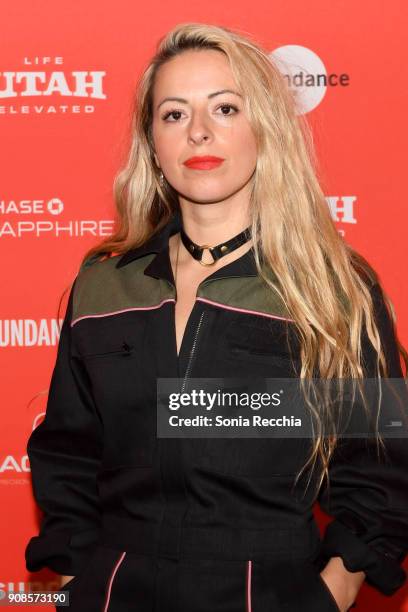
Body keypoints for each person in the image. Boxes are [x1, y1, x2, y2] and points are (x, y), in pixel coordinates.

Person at [25, 22, 408, 612]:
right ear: (152, 142)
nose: (199, 131)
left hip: (270, 590)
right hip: (114, 589)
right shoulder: (103, 285)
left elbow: (379, 472)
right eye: (174, 114)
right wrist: (80, 572)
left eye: (225, 108)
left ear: (266, 130)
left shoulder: (332, 290)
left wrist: (332, 588)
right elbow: (70, 451)